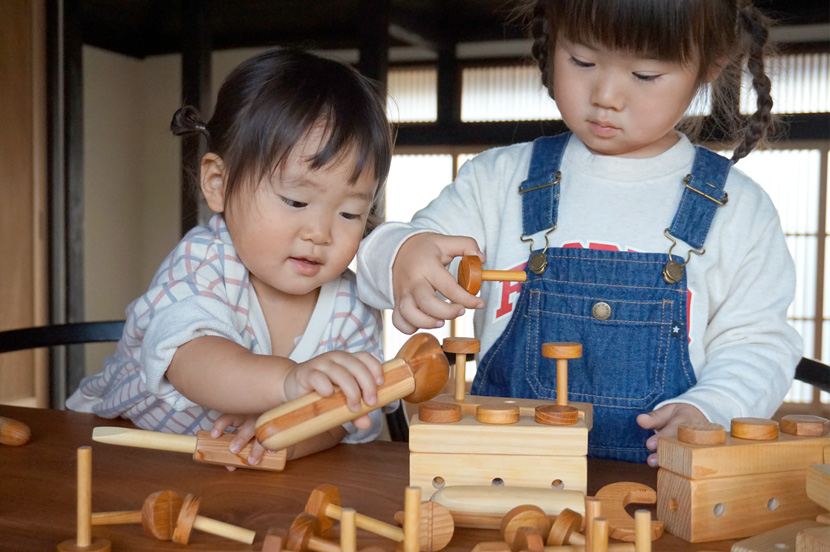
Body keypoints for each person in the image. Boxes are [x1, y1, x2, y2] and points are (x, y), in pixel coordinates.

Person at [356, 0, 802, 464]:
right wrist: (401, 254)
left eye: (645, 75)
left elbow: (759, 343)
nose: (606, 95)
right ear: (553, 42)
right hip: (500, 474)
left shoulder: (737, 208)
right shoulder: (500, 180)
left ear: (710, 65)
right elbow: (371, 265)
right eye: (582, 61)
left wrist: (712, 407)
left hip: (660, 485)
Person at [68, 47, 394, 466]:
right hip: (126, 451)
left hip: (240, 475)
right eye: (296, 201)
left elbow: (342, 417)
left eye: (351, 213)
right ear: (218, 183)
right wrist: (289, 381)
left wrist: (290, 437)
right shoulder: (202, 262)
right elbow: (192, 361)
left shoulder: (351, 307)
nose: (320, 233)